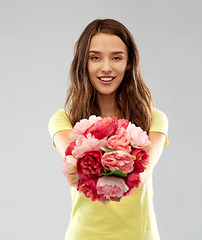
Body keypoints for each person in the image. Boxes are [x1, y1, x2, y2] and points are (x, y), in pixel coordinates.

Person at [48, 18, 169, 240]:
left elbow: (142, 171)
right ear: (83, 63)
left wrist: (94, 155)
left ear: (129, 62)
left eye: (116, 58)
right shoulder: (63, 120)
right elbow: (80, 166)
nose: (106, 67)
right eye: (95, 58)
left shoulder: (154, 119)